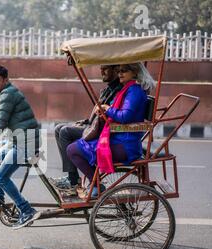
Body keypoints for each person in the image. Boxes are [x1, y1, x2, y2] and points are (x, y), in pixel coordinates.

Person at [66, 62, 155, 198]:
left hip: (124, 144)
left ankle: (96, 185)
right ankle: (93, 183)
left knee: (72, 150)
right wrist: (105, 112)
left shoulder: (134, 91)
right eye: (119, 70)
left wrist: (107, 109)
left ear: (135, 72)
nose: (120, 73)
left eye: (124, 70)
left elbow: (125, 116)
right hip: (119, 138)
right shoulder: (128, 89)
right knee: (73, 145)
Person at [0, 66, 41, 230]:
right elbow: (0, 120)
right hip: (17, 142)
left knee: (1, 178)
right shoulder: (5, 93)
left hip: (26, 144)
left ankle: (26, 210)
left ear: (5, 80)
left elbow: (0, 123)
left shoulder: (7, 94)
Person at [51, 65, 122, 195]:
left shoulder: (118, 89)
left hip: (103, 129)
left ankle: (73, 182)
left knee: (65, 132)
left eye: (106, 68)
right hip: (95, 125)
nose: (102, 71)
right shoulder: (110, 88)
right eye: (101, 68)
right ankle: (72, 178)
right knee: (58, 128)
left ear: (116, 70)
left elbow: (109, 113)